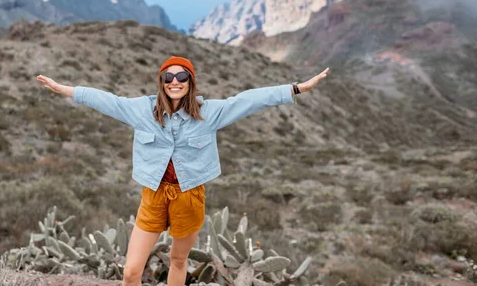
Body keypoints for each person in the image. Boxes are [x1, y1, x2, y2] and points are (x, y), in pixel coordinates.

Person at [36, 56, 329, 286]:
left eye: (182, 76)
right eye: (168, 76)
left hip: (190, 197)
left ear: (190, 81)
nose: (175, 81)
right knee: (130, 272)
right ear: (161, 82)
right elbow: (107, 100)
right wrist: (65, 90)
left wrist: (296, 88)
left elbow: (248, 100)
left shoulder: (209, 113)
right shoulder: (142, 110)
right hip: (153, 196)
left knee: (178, 262)